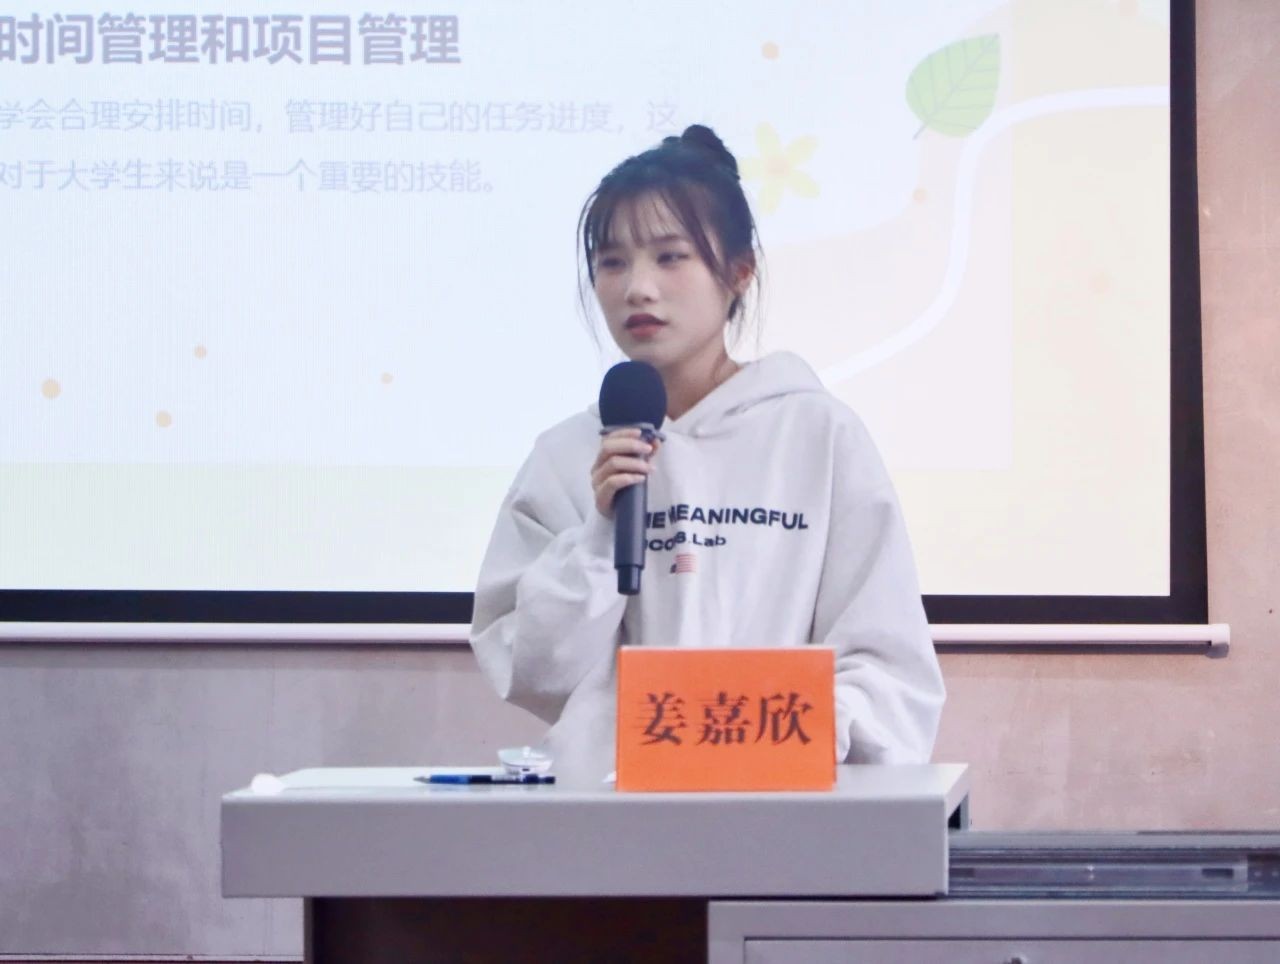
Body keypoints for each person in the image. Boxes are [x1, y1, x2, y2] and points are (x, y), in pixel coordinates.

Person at [470, 124, 944, 783]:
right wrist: (600, 536)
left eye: (670, 257)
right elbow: (532, 670)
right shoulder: (566, 454)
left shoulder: (816, 434)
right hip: (607, 813)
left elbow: (887, 662)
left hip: (779, 808)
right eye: (612, 262)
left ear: (738, 273)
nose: (638, 288)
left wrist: (775, 734)